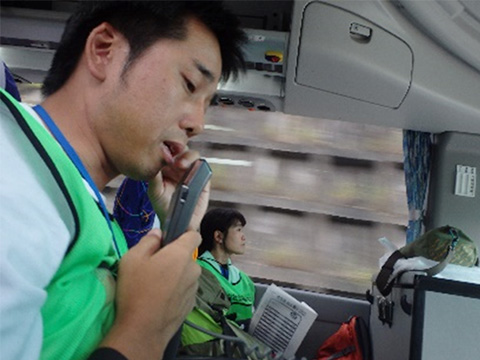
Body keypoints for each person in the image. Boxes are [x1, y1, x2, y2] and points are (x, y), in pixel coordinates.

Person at [0, 2, 246, 359]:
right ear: (104, 51)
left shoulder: (77, 195)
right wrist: (142, 330)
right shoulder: (16, 190)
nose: (198, 124)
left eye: (208, 104)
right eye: (190, 84)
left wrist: (177, 226)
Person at [197, 207, 256, 328]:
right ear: (219, 236)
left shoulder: (246, 281)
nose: (243, 237)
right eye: (238, 230)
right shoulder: (198, 271)